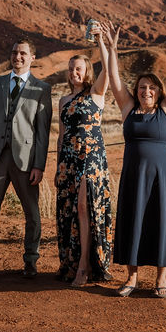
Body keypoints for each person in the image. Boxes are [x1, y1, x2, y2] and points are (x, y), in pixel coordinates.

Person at [105, 22, 166, 298]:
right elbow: (113, 78)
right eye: (142, 87)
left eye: (151, 88)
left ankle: (161, 280)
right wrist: (112, 48)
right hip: (134, 175)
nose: (146, 91)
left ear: (158, 91)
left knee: (161, 221)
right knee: (133, 220)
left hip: (161, 176)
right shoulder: (128, 109)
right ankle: (131, 278)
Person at [0, 39, 53, 280]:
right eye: (14, 52)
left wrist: (39, 165)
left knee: (32, 214)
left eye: (23, 53)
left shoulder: (42, 88)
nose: (18, 57)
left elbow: (42, 133)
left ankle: (31, 262)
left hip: (25, 162)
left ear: (32, 58)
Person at [54, 37, 113, 287]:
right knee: (70, 213)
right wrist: (58, 168)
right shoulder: (63, 101)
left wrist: (101, 41)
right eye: (70, 69)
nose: (73, 73)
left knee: (84, 208)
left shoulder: (96, 94)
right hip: (68, 162)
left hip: (91, 159)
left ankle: (84, 266)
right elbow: (60, 136)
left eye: (78, 68)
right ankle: (74, 261)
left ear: (87, 71)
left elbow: (109, 69)